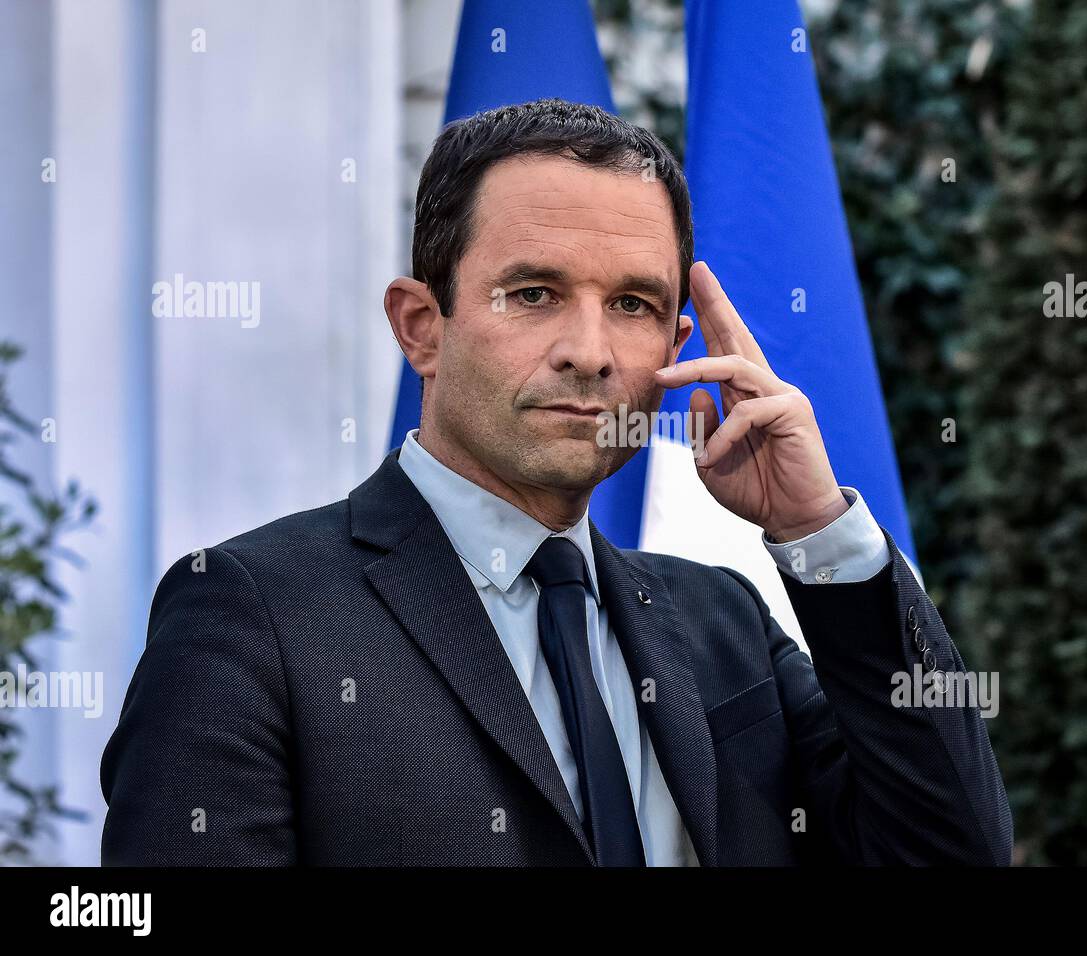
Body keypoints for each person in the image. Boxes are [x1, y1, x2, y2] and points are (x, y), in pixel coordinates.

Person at [101, 98, 1012, 866]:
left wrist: (820, 532)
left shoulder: (725, 622)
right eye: (532, 293)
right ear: (422, 326)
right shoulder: (250, 615)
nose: (589, 351)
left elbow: (952, 852)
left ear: (674, 350)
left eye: (632, 305)